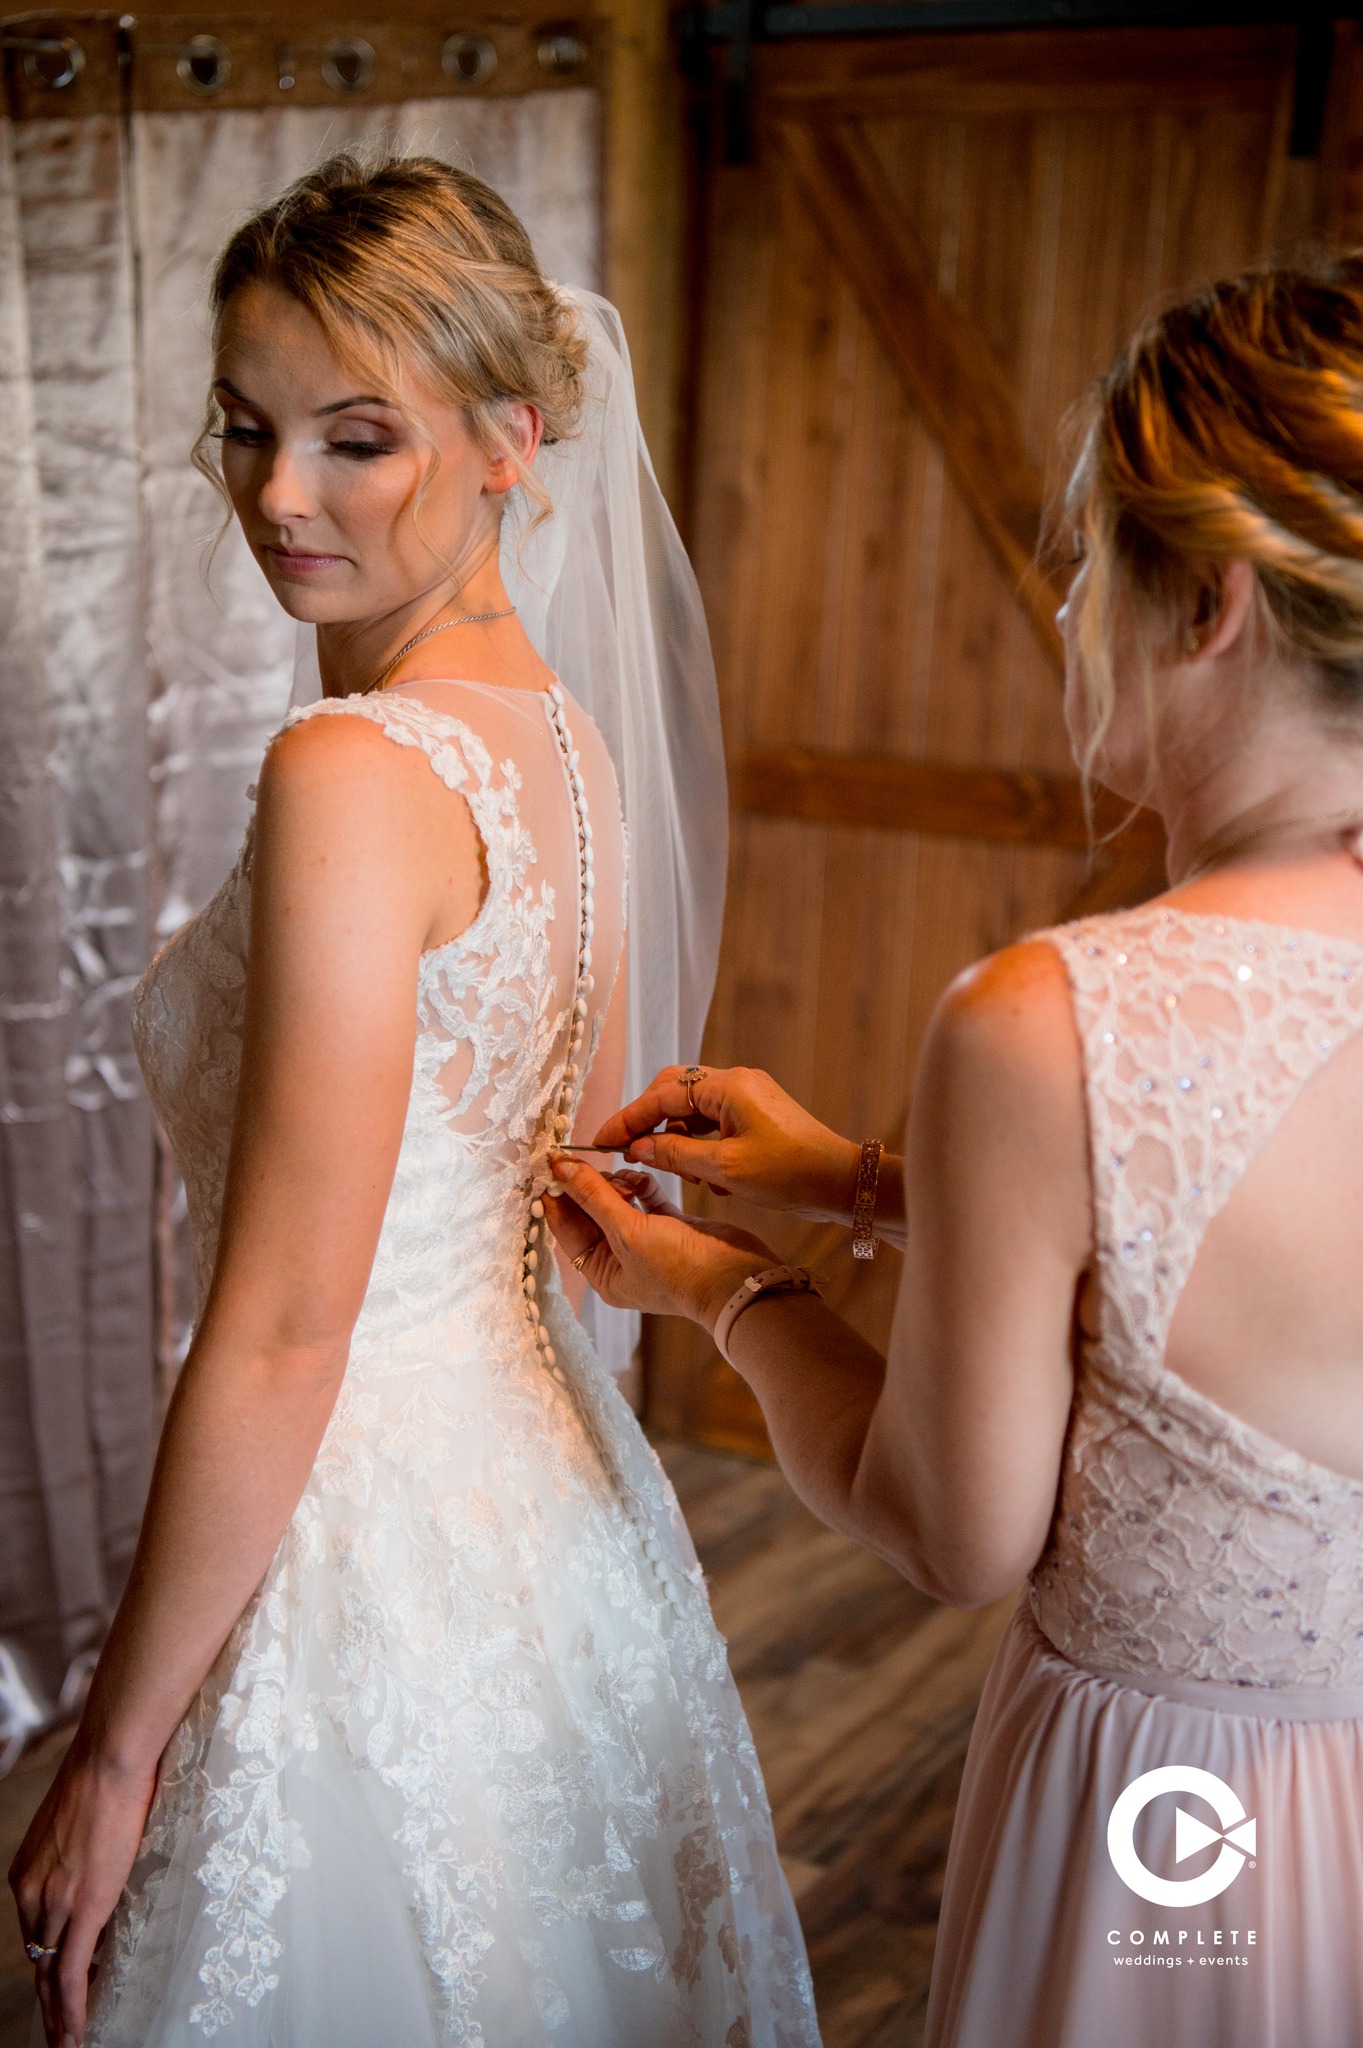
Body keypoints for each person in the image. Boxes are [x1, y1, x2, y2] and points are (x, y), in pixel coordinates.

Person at [10, 152, 820, 2048]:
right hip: (558, 1522)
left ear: (512, 440)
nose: (280, 498)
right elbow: (581, 1184)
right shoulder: (563, 733)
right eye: (246, 430)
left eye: (355, 438)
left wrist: (115, 1755)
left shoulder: (355, 772)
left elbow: (290, 1330)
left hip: (360, 1539)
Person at [547, 255, 1363, 2048]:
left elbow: (950, 1529)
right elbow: (1216, 1296)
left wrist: (723, 1286)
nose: (1073, 615)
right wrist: (854, 1179)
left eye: (1091, 568)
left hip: (1167, 1814)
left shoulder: (1055, 1018)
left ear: (1208, 600)